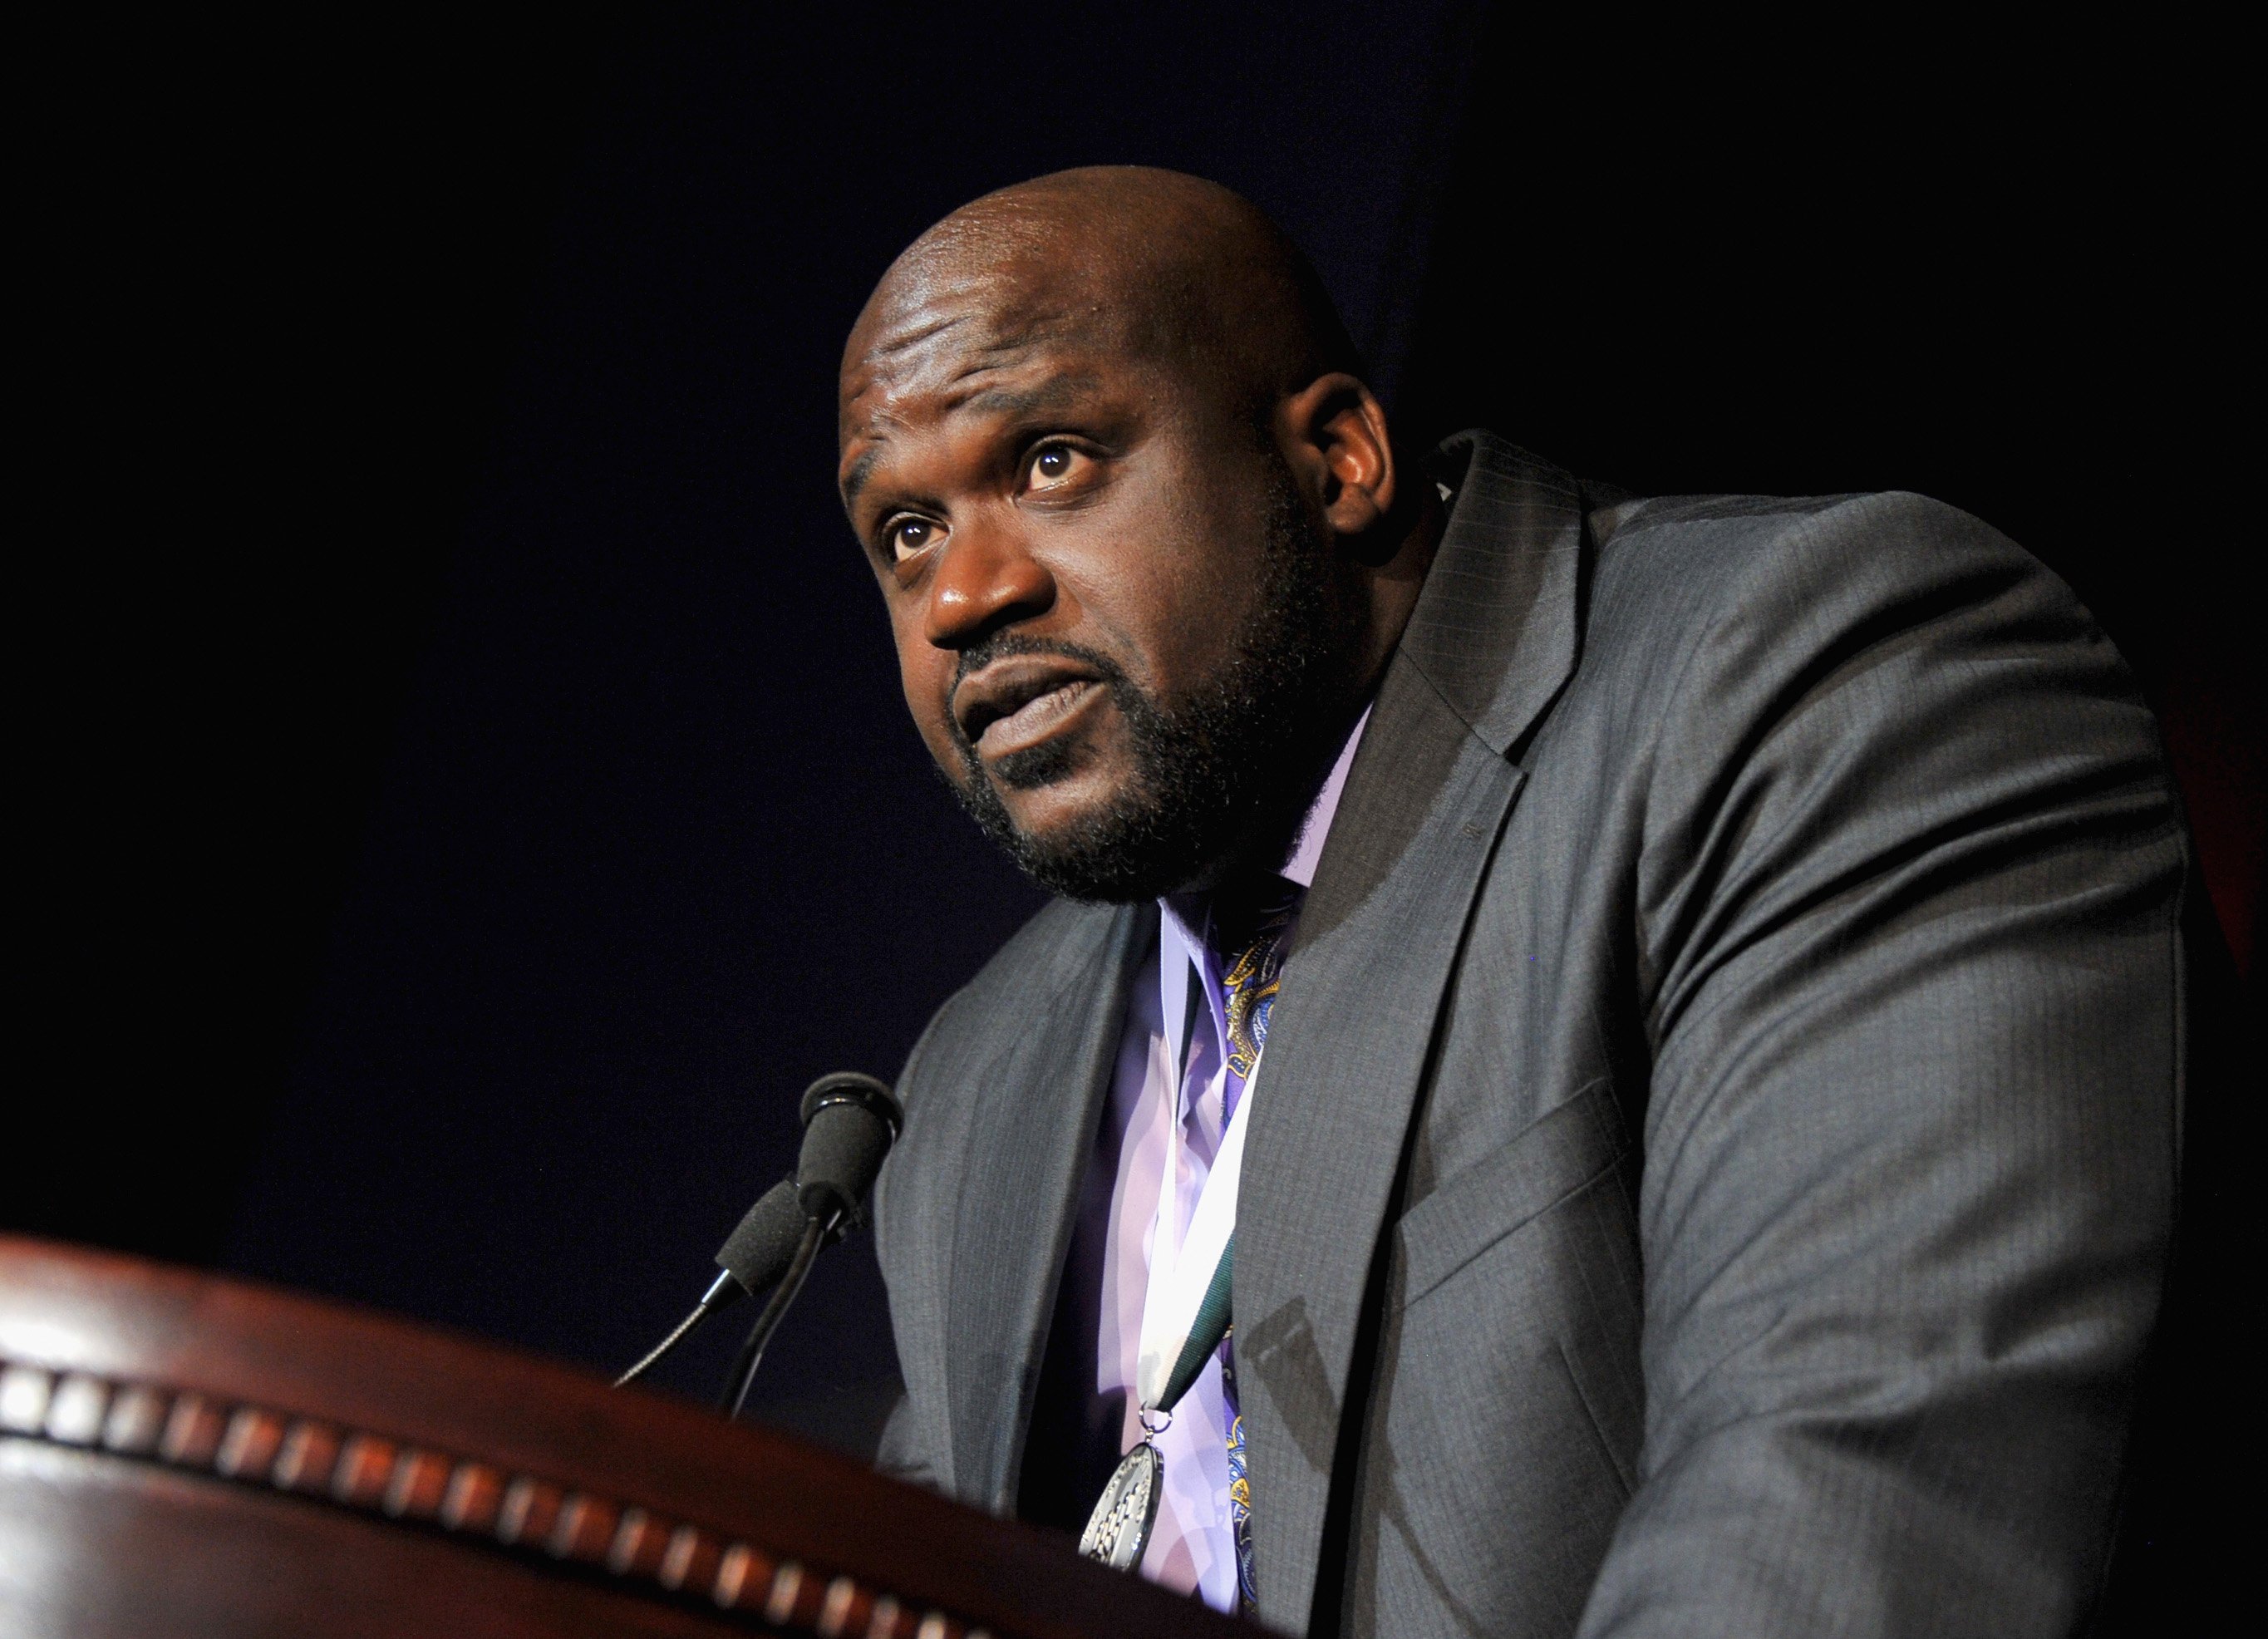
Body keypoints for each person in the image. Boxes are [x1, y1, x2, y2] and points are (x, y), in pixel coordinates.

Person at [836, 166, 2193, 1636]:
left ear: (1338, 458)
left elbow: (1856, 1510)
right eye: (904, 533)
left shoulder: (1813, 688)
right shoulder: (974, 1085)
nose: (963, 597)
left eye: (1049, 461)